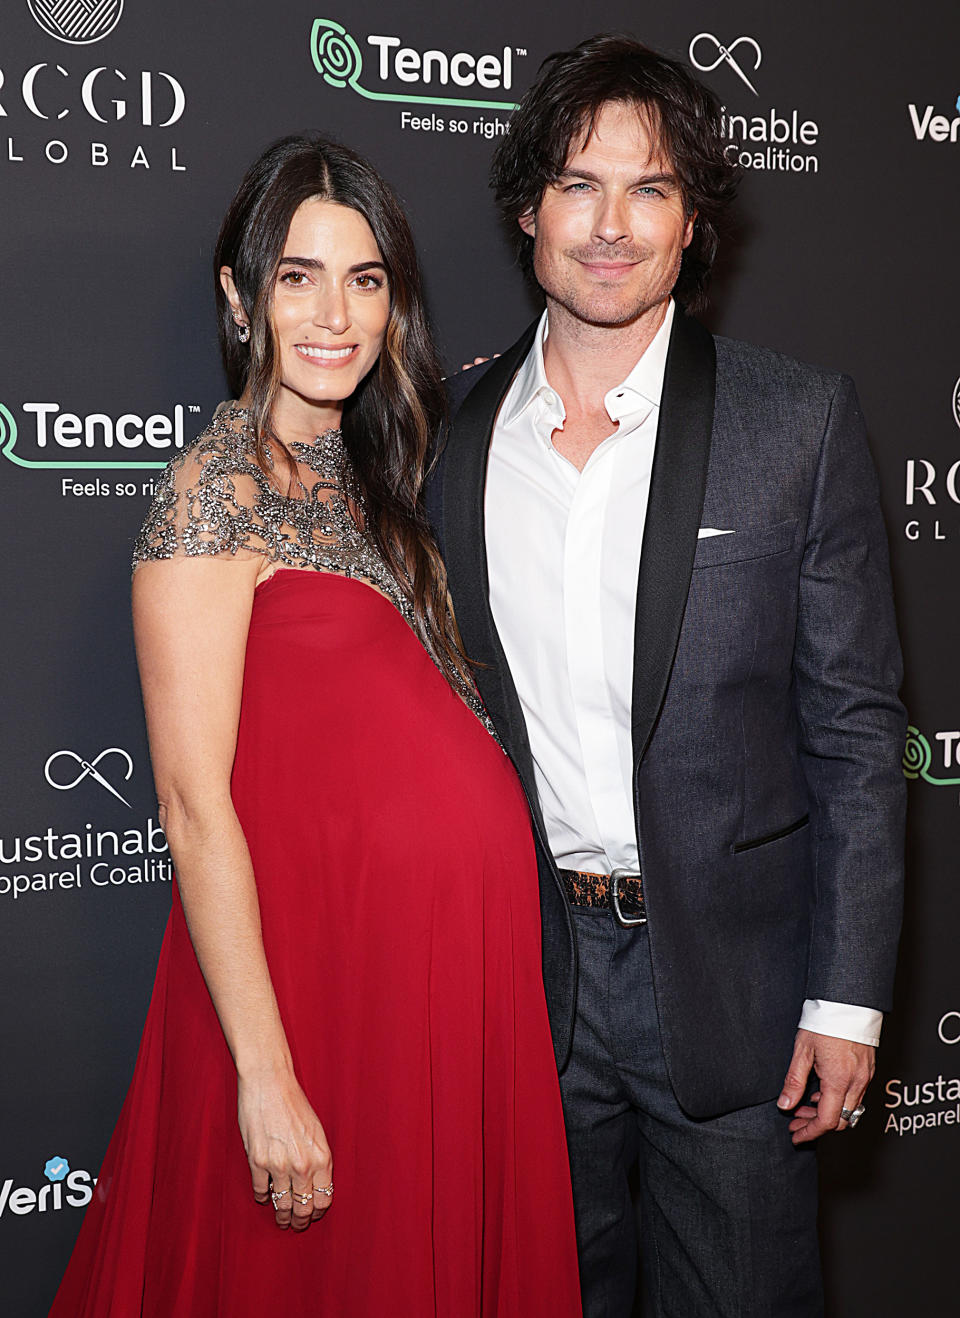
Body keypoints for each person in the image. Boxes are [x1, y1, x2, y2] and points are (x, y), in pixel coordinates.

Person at [49, 134, 581, 1318]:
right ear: (242, 298)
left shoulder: (387, 479)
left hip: (441, 994)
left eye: (367, 277)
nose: (336, 312)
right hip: (316, 994)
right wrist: (267, 1073)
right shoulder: (215, 483)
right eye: (299, 276)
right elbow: (193, 806)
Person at [427, 34, 906, 1318]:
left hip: (737, 991)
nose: (610, 226)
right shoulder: (443, 439)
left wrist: (848, 1001)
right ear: (529, 207)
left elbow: (856, 733)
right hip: (522, 985)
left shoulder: (794, 421)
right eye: (579, 184)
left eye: (650, 189)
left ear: (694, 222)